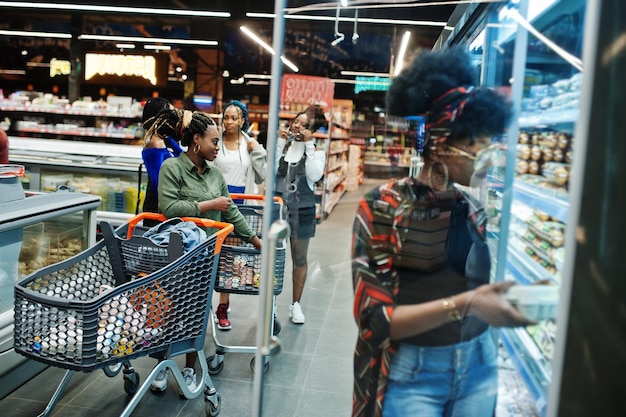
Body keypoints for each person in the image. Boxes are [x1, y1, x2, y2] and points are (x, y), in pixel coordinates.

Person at [351, 46, 535, 417]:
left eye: (489, 140)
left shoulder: (474, 211)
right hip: (413, 374)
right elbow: (374, 321)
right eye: (473, 141)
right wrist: (468, 304)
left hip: (478, 367)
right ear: (439, 143)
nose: (487, 151)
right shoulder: (383, 207)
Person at [150, 108, 262, 394]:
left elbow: (232, 210)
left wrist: (253, 238)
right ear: (196, 140)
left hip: (206, 255)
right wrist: (209, 206)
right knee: (170, 310)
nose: (217, 147)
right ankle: (163, 366)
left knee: (196, 312)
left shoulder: (215, 175)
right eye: (214, 142)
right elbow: (169, 209)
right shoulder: (171, 168)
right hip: (176, 256)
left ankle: (189, 368)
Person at [210, 100, 267, 330]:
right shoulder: (215, 142)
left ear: (243, 120)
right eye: (226, 117)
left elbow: (262, 176)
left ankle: (223, 305)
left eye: (234, 118)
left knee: (229, 256)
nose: (229, 122)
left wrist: (258, 152)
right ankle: (206, 302)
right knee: (216, 254)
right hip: (215, 203)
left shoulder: (249, 145)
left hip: (240, 205)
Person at [275, 107, 326, 324]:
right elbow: (271, 171)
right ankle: (272, 305)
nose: (297, 126)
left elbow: (314, 175)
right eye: (297, 121)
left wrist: (308, 145)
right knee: (274, 257)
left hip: (303, 210)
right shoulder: (284, 146)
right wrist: (278, 142)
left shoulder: (317, 153)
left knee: (299, 258)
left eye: (304, 125)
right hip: (279, 208)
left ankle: (296, 304)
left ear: (312, 131)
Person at [140, 97, 181, 227]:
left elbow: (183, 157)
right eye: (170, 114)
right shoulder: (154, 143)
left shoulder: (164, 139)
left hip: (167, 201)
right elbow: (158, 181)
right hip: (159, 206)